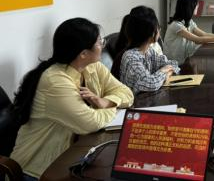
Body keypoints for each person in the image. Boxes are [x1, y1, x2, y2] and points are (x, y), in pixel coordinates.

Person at [10, 18, 133, 180]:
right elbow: (90, 123)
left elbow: (126, 93)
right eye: (99, 42)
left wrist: (107, 101)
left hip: (73, 158)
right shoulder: (55, 81)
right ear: (83, 54)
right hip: (37, 170)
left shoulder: (93, 66)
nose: (103, 45)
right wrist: (112, 107)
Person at [118, 6, 180, 94]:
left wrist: (167, 72)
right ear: (152, 33)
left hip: (149, 98)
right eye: (158, 27)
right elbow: (151, 84)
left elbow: (173, 64)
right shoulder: (130, 57)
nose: (159, 30)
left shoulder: (149, 51)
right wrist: (163, 71)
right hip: (135, 101)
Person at [164, 0, 214, 64]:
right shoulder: (176, 25)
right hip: (173, 64)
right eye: (196, 5)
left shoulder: (189, 22)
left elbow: (204, 34)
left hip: (184, 60)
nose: (197, 7)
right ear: (189, 8)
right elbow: (197, 40)